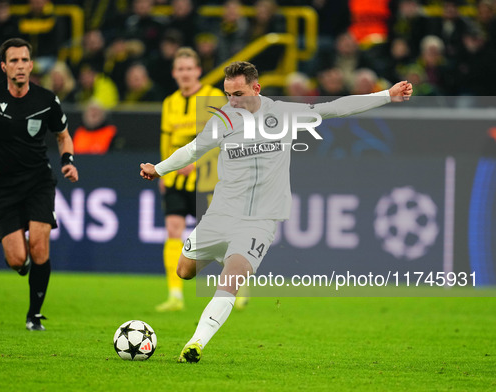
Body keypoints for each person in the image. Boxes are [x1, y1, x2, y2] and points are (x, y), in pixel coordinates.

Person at [140, 61, 412, 362]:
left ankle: (196, 343)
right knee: (184, 270)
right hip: (221, 213)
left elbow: (335, 108)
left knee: (232, 277)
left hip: (260, 219)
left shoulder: (284, 113)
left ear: (257, 89)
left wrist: (387, 95)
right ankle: (217, 270)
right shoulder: (222, 120)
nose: (232, 101)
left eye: (238, 94)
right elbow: (192, 150)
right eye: (227, 94)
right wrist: (159, 169)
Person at [0, 38, 79, 331]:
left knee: (40, 248)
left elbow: (63, 134)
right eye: (13, 61)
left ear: (31, 65)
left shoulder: (46, 100)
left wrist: (67, 160)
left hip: (39, 181)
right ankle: (22, 265)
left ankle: (34, 315)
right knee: (18, 259)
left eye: (24, 60)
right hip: (3, 186)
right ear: (4, 67)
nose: (20, 66)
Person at [154, 47, 225, 312]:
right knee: (173, 229)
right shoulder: (169, 102)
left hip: (208, 180)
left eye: (189, 69)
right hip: (176, 181)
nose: (184, 73)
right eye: (180, 69)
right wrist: (163, 170)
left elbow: (221, 138)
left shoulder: (214, 96)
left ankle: (236, 287)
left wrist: (195, 163)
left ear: (198, 71)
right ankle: (175, 296)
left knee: (217, 236)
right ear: (174, 73)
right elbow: (166, 140)